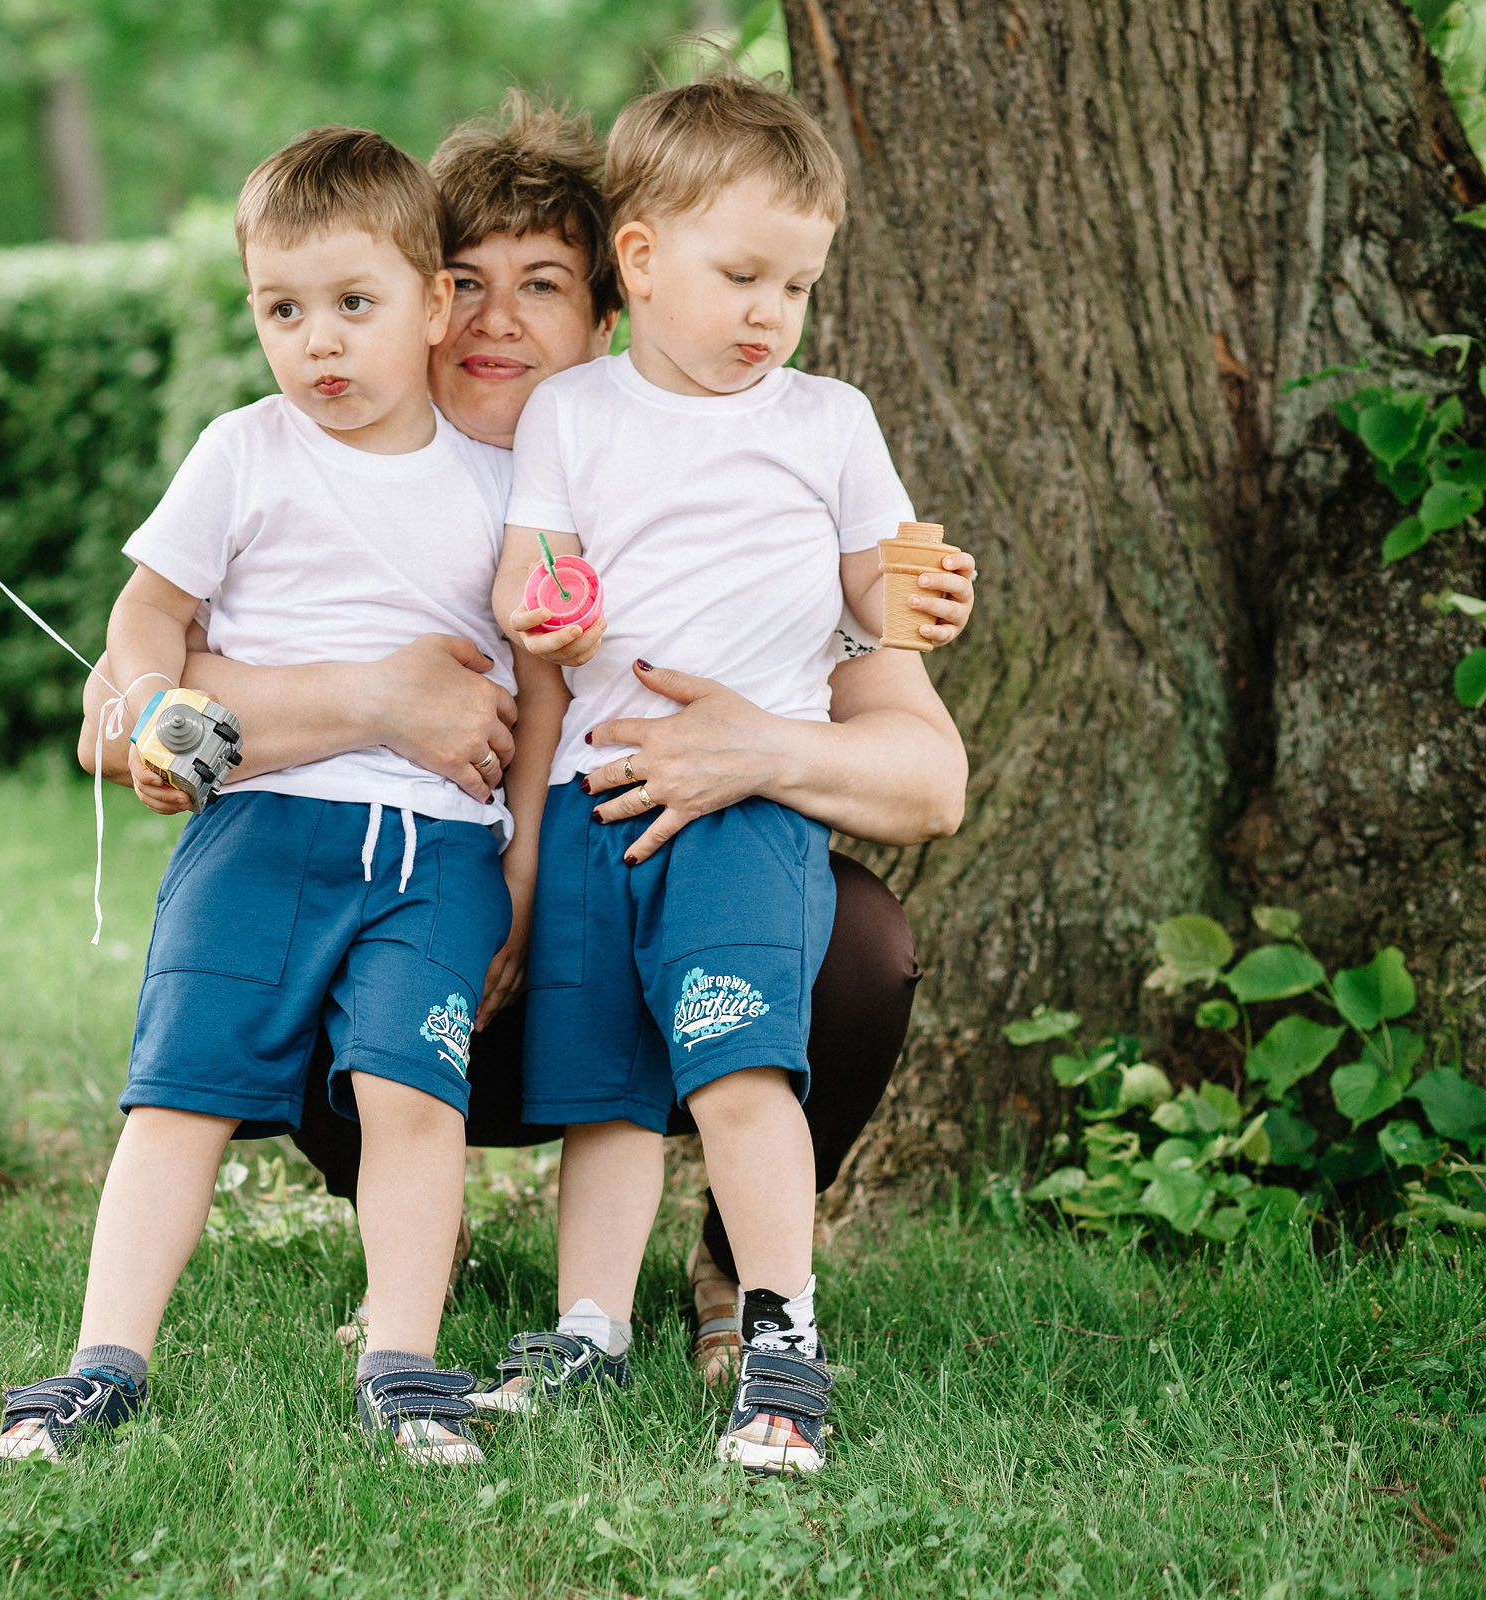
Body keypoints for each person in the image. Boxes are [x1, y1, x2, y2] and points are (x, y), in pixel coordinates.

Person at [76, 89, 972, 1384]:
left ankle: (740, 1263)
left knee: (863, 944)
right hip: (422, 908)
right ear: (421, 300)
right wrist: (380, 699)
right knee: (349, 919)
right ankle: (411, 1254)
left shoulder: (701, 482)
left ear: (609, 310)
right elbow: (120, 710)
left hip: (645, 885)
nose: (497, 319)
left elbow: (930, 778)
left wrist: (758, 750)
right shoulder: (337, 470)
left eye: (540, 284)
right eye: (464, 279)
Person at [0, 125, 514, 1467]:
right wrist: (154, 706)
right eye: (284, 309)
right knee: (181, 1096)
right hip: (258, 827)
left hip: (433, 850)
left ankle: (403, 1362)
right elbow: (148, 614)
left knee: (410, 1095)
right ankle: (104, 1362)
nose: (319, 343)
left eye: (353, 304)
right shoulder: (245, 452)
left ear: (434, 306)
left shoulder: (501, 486)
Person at [476, 71, 975, 1476]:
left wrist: (912, 603)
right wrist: (544, 608)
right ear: (639, 257)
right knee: (604, 1083)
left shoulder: (824, 421)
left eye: (798, 285)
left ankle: (779, 1332)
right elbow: (534, 561)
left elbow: (877, 585)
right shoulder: (574, 412)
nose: (772, 312)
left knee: (740, 1055)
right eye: (743, 274)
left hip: (748, 806)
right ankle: (589, 1328)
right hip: (594, 799)